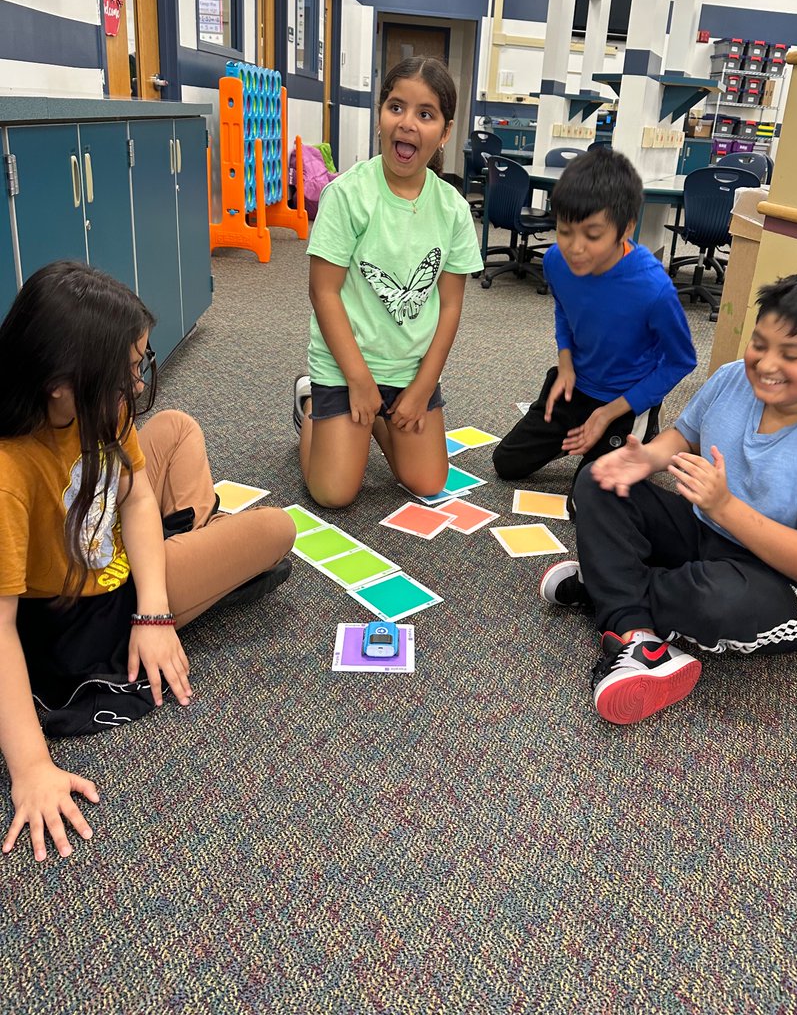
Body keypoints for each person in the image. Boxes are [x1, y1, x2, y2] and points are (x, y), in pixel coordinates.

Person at [0, 262, 296, 861]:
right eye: (124, 376)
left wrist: (157, 611)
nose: (135, 388)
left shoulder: (87, 403)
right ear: (61, 384)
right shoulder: (8, 474)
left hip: (111, 550)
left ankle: (188, 547)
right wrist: (31, 766)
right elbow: (0, 630)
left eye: (138, 367)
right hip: (86, 613)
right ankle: (194, 548)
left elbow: (133, 491)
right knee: (276, 528)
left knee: (178, 426)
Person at [539, 269, 797, 726]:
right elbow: (684, 435)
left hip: (784, 582)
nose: (766, 364)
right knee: (600, 480)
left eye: (791, 354)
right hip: (706, 532)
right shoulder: (732, 378)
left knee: (713, 603)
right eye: (759, 343)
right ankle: (636, 628)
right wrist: (646, 459)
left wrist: (725, 507)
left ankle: (610, 589)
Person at [293, 56, 484, 507]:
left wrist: (421, 389)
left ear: (445, 131)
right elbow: (323, 291)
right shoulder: (348, 194)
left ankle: (375, 416)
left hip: (408, 368)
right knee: (335, 493)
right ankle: (310, 408)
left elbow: (451, 307)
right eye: (396, 107)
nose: (408, 124)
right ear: (379, 115)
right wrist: (358, 380)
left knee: (428, 480)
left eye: (425, 114)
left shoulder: (453, 209)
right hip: (347, 363)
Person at [492, 149, 696, 497]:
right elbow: (564, 309)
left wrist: (607, 414)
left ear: (626, 228)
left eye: (592, 234)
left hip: (623, 400)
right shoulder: (556, 261)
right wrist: (566, 362)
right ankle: (577, 437)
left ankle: (637, 432)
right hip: (574, 387)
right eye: (565, 231)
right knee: (506, 464)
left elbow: (681, 361)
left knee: (585, 501)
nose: (576, 248)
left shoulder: (653, 289)